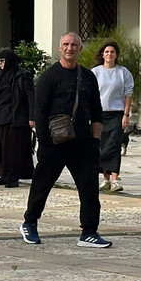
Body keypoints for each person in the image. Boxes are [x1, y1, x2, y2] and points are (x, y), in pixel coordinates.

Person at [21, 32, 111, 249]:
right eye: (66, 45)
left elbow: (97, 110)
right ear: (60, 48)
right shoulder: (49, 77)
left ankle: (89, 232)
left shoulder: (88, 77)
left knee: (89, 188)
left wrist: (95, 140)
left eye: (74, 45)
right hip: (54, 142)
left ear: (80, 49)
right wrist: (44, 143)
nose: (70, 48)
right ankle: (30, 223)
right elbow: (39, 112)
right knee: (42, 185)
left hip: (82, 143)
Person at [0, 49, 35, 187]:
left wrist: (32, 117)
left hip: (16, 118)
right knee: (1, 148)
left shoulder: (22, 75)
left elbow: (30, 96)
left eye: (3, 61)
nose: (0, 64)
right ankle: (4, 174)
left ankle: (12, 177)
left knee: (12, 149)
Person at [92, 40, 134, 193]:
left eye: (112, 52)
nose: (109, 54)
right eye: (107, 52)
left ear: (116, 55)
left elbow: (128, 95)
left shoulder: (123, 73)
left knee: (114, 146)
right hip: (100, 113)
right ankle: (105, 179)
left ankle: (115, 179)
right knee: (102, 145)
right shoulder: (95, 72)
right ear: (102, 54)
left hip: (117, 114)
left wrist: (126, 114)